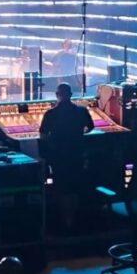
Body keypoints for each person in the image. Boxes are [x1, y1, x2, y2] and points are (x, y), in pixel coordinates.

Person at [38, 83, 94, 228]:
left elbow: (43, 135)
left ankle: (64, 220)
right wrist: (79, 135)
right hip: (77, 153)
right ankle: (74, 218)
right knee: (75, 184)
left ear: (57, 95)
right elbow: (91, 127)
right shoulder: (82, 111)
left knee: (61, 186)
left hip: (59, 156)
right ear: (71, 94)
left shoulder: (51, 114)